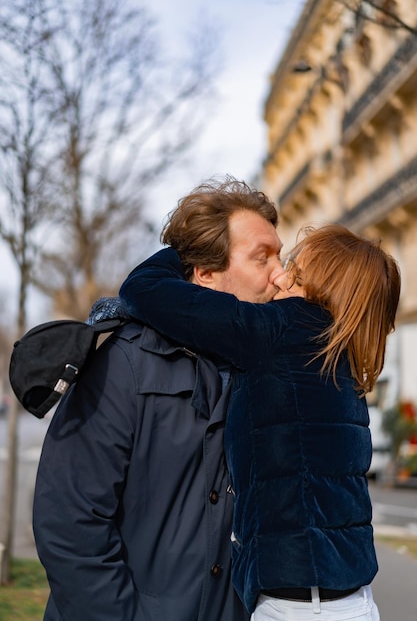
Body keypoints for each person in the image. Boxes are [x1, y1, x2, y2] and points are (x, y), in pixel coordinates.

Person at [119, 223, 401, 620]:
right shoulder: (342, 357)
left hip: (298, 606)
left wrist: (192, 248)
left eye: (297, 273)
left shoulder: (278, 327)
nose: (281, 277)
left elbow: (142, 290)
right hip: (354, 601)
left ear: (326, 285)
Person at [32, 177, 284, 621]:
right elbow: (71, 526)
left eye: (280, 256)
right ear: (205, 275)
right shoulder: (121, 363)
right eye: (262, 258)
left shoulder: (265, 372)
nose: (280, 274)